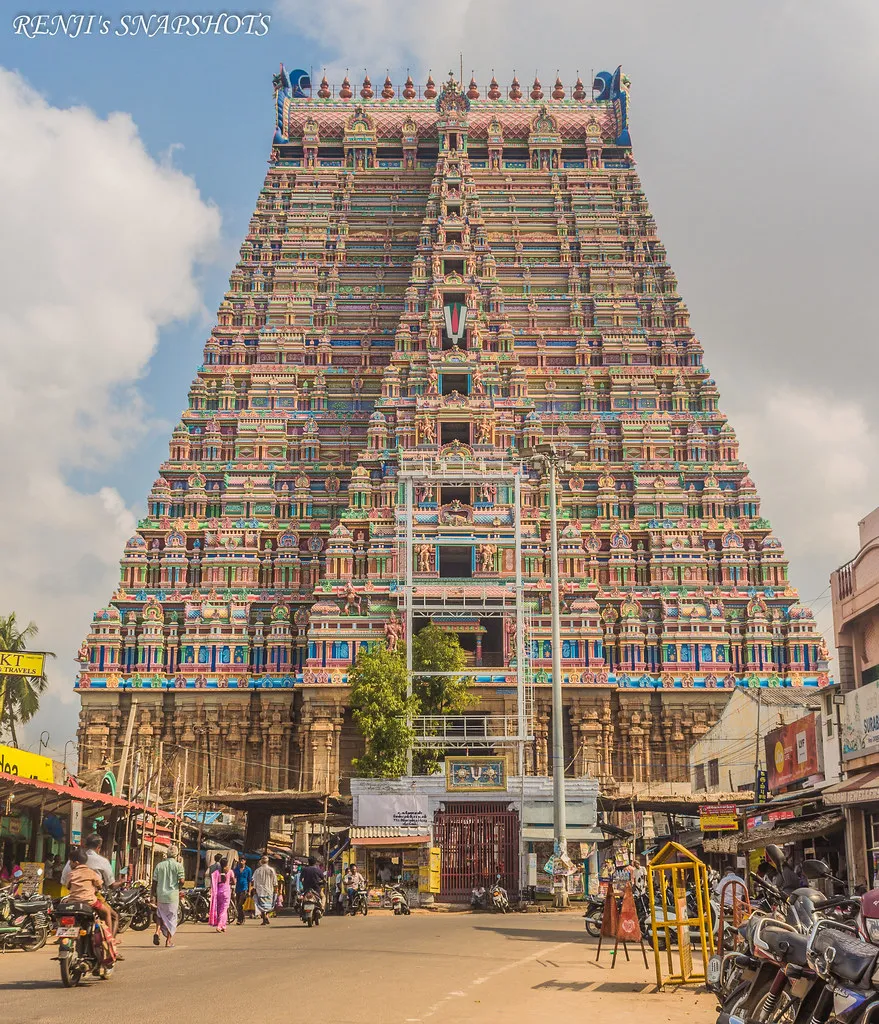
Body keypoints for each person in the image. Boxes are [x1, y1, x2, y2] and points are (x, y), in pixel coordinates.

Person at [61, 833, 119, 935]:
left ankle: (63, 932)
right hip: (92, 897)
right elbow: (110, 884)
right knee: (113, 915)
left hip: (72, 896)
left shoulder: (74, 859)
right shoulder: (102, 862)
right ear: (99, 847)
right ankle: (110, 940)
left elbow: (64, 881)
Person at [152, 844, 185, 948]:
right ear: (176, 855)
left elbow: (154, 882)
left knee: (159, 914)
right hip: (172, 896)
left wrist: (153, 895)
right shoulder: (179, 866)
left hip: (160, 895)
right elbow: (182, 880)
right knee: (171, 918)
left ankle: (157, 931)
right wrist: (179, 886)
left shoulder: (159, 866)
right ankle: (168, 941)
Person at [209, 857, 234, 933]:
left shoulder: (216, 872)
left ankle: (223, 925)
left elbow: (213, 881)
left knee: (220, 909)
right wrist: (229, 882)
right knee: (224, 909)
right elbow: (234, 882)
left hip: (218, 892)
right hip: (226, 891)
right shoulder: (230, 871)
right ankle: (219, 926)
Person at [252, 856, 278, 926]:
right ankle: (266, 917)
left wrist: (254, 889)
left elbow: (254, 881)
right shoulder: (271, 870)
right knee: (268, 905)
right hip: (269, 890)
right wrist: (276, 890)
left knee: (261, 906)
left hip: (260, 891)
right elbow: (275, 882)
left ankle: (264, 918)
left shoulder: (257, 871)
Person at [233, 856, 253, 925]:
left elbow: (250, 880)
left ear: (245, 861)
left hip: (244, 888)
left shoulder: (248, 869)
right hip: (237, 888)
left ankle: (240, 919)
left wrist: (249, 891)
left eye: (243, 860)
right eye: (240, 860)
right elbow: (234, 878)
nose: (241, 861)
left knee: (240, 904)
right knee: (238, 905)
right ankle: (242, 918)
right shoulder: (236, 869)